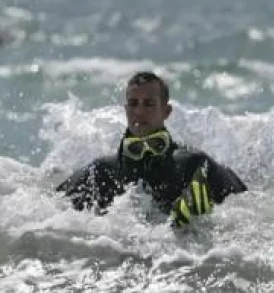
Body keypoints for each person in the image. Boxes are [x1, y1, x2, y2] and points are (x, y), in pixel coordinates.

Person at [56, 71, 248, 228]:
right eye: (133, 104)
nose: (139, 112)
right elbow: (49, 216)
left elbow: (249, 212)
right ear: (125, 109)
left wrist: (203, 224)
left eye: (149, 104)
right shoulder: (99, 172)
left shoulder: (196, 165)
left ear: (166, 111)